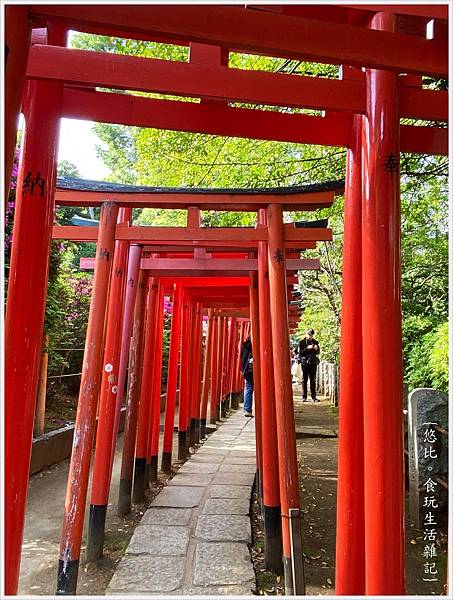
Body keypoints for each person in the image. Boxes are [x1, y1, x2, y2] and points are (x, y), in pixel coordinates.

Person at [298, 329, 320, 402]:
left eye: (312, 335)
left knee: (313, 380)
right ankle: (304, 396)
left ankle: (314, 396)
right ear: (306, 334)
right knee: (304, 380)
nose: (311, 336)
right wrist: (307, 348)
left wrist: (316, 349)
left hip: (313, 362)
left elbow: (318, 352)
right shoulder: (302, 342)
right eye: (309, 335)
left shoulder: (315, 342)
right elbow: (300, 353)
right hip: (304, 363)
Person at [240, 335, 254, 417]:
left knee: (248, 389)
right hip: (257, 369)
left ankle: (247, 409)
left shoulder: (244, 346)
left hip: (247, 370)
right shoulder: (256, 345)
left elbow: (242, 359)